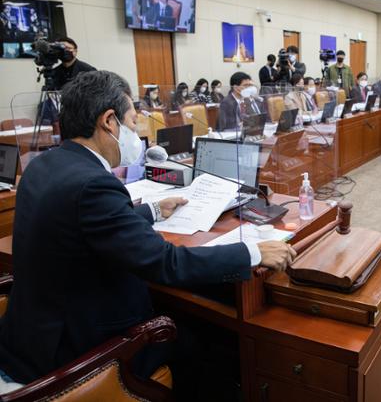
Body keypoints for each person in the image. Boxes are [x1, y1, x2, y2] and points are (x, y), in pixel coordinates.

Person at [0, 70, 294, 392]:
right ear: (108, 122)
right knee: (208, 341)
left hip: (31, 336)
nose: (136, 132)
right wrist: (251, 252)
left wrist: (153, 210)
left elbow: (86, 224)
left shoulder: (43, 165)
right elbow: (165, 263)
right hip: (76, 349)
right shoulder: (93, 184)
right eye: (132, 122)